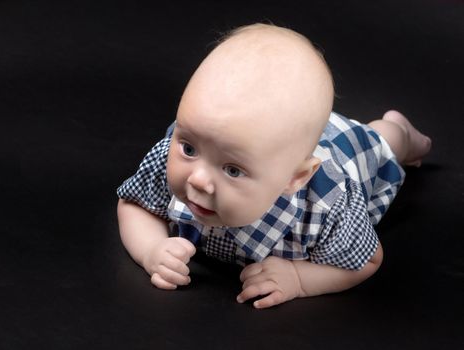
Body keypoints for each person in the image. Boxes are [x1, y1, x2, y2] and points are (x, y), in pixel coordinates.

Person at [116, 23, 432, 309]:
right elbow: (135, 204)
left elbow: (367, 260)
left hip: (351, 147)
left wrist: (298, 277)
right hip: (280, 141)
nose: (198, 179)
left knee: (384, 138)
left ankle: (402, 131)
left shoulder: (327, 207)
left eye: (233, 170)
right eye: (189, 148)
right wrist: (151, 249)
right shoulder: (181, 151)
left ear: (295, 178)